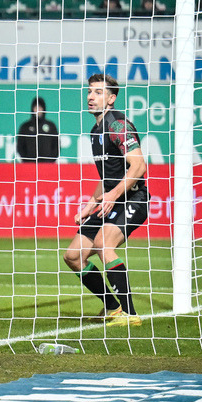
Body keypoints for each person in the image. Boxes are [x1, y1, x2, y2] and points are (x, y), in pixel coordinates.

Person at [63, 74, 148, 327]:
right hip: (110, 200)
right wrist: (91, 203)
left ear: (111, 99)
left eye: (98, 92)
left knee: (103, 244)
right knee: (73, 256)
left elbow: (139, 166)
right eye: (90, 91)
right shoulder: (95, 132)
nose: (91, 97)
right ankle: (112, 306)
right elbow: (107, 177)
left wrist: (112, 195)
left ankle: (130, 314)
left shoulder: (118, 125)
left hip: (133, 198)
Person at [16, 96, 59, 163]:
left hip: (47, 165)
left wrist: (50, 161)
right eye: (36, 107)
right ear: (32, 109)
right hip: (29, 165)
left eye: (40, 107)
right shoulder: (25, 126)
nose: (38, 110)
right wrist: (26, 161)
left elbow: (56, 145)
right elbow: (20, 146)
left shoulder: (51, 126)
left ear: (43, 109)